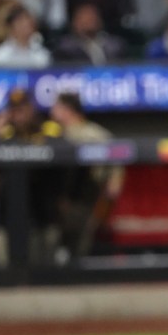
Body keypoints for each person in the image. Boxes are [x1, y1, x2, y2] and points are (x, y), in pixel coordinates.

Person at [0, 90, 63, 268]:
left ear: (31, 108)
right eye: (14, 110)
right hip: (9, 219)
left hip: (43, 216)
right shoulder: (6, 135)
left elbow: (58, 169)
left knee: (45, 268)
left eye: (22, 109)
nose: (18, 114)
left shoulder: (48, 129)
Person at [48, 93, 125, 258]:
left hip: (86, 197)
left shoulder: (92, 134)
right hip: (55, 201)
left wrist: (113, 186)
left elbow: (119, 155)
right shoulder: (53, 134)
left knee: (80, 245)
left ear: (68, 110)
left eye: (57, 108)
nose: (52, 112)